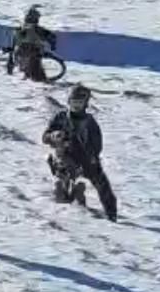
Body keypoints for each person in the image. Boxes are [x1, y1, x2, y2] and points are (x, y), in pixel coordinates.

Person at [42, 84, 117, 221]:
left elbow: (96, 143)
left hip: (87, 158)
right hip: (64, 155)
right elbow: (45, 137)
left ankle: (111, 215)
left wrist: (93, 158)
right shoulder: (61, 117)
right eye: (73, 102)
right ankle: (67, 194)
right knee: (64, 173)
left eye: (80, 102)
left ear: (85, 104)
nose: (76, 105)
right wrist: (53, 135)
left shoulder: (89, 122)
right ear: (68, 102)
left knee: (102, 185)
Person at [5, 6, 57, 82]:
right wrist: (52, 46)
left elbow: (13, 45)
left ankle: (28, 77)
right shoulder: (38, 30)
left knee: (29, 73)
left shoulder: (19, 30)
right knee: (38, 79)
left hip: (20, 55)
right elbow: (51, 37)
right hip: (33, 55)